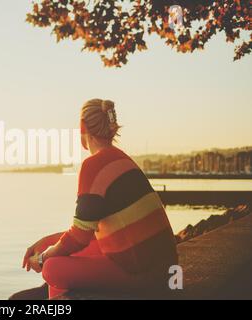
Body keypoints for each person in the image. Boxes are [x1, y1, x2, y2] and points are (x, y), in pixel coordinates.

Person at [13, 99, 178, 300]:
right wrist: (46, 242)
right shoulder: (122, 159)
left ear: (82, 127)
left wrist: (42, 257)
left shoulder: (93, 165)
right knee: (58, 257)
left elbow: (80, 237)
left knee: (51, 268)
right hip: (168, 273)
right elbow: (92, 232)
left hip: (145, 277)